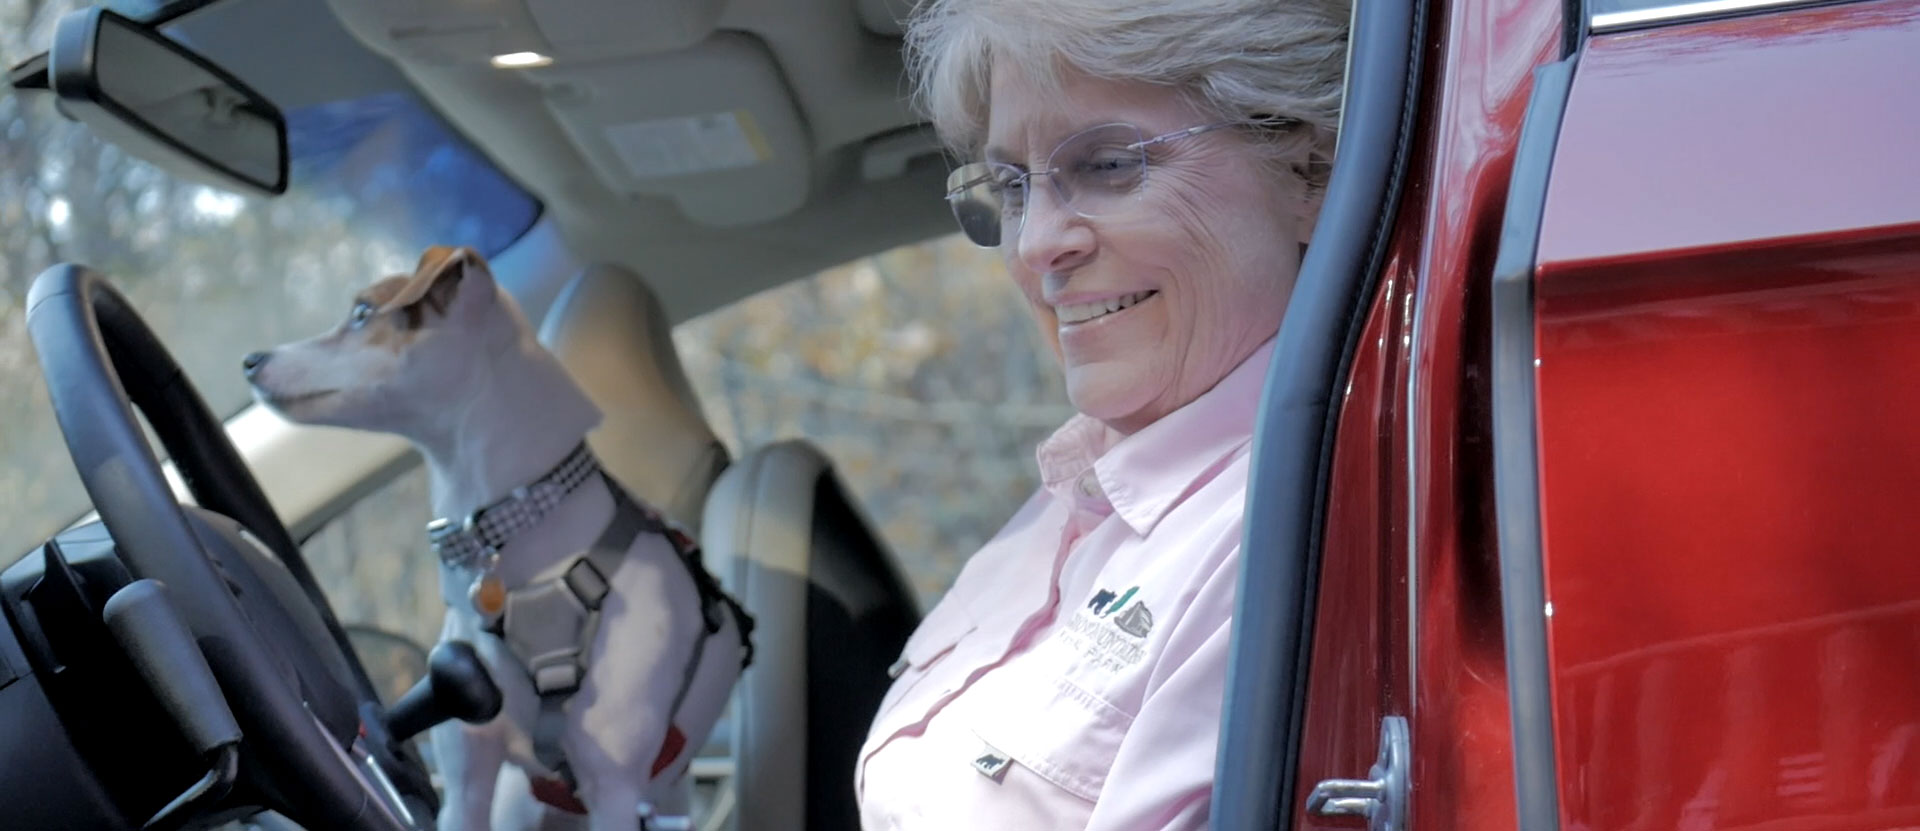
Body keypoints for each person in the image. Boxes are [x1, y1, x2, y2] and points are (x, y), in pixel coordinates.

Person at [855, 0, 1350, 827]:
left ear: (1309, 172)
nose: (1035, 244)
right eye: (1012, 186)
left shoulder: (1292, 525)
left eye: (1111, 165)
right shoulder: (1075, 493)